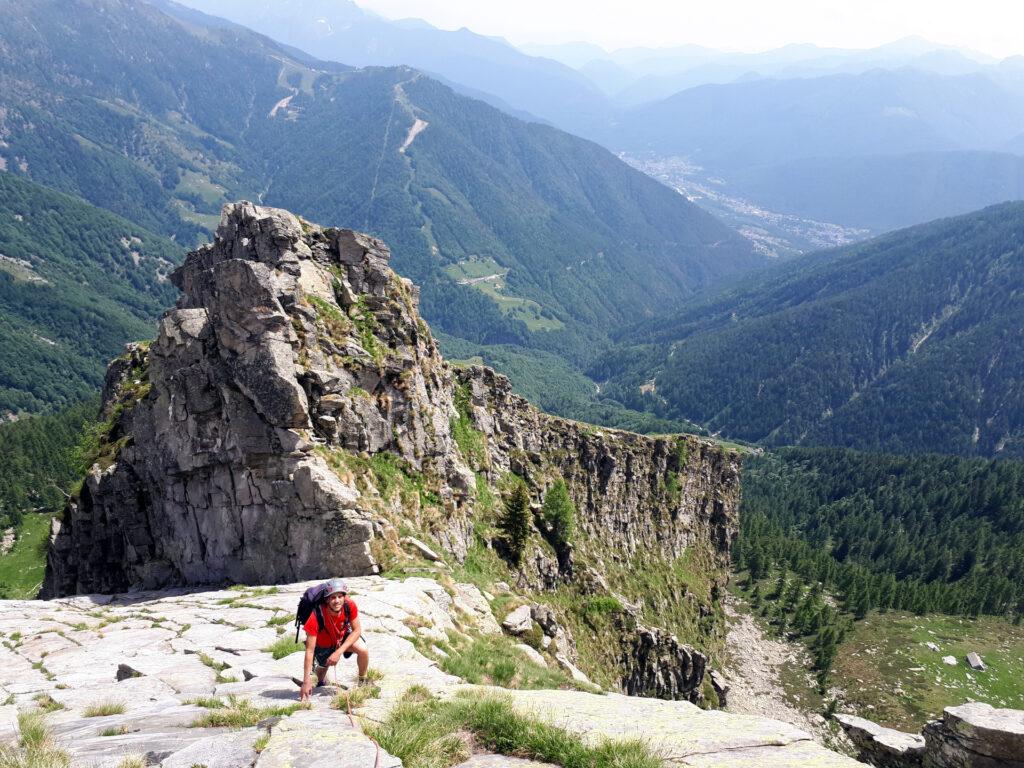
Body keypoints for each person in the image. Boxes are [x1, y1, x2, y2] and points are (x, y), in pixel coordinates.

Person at [298, 578, 369, 701]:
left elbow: (357, 630)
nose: (337, 601)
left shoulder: (349, 605)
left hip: (341, 639)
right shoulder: (316, 615)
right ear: (327, 600)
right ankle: (321, 678)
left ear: (344, 596)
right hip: (323, 645)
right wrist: (306, 681)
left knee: (363, 650)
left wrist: (338, 652)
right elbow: (309, 650)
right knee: (321, 675)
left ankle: (363, 681)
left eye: (340, 596)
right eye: (333, 597)